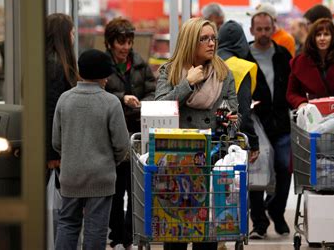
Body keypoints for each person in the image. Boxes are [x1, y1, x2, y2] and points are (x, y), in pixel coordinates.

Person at [155, 17, 238, 250]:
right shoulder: (170, 71)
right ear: (191, 41)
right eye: (204, 39)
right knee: (176, 233)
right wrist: (187, 84)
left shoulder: (223, 73)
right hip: (175, 159)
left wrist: (231, 120)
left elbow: (234, 113)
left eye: (213, 38)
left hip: (210, 158)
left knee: (206, 234)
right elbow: (160, 107)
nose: (211, 43)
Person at [53, 49, 131, 250]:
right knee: (96, 228)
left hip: (70, 175)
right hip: (101, 177)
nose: (107, 80)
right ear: (103, 75)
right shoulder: (111, 102)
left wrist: (72, 156)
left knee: (67, 223)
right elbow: (122, 144)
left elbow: (56, 142)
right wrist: (109, 161)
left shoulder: (64, 99)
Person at [104, 17, 156, 250]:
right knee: (114, 187)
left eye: (129, 42)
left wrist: (142, 103)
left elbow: (154, 92)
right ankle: (116, 234)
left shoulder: (140, 64)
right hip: (110, 136)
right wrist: (121, 99)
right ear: (110, 43)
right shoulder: (102, 65)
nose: (125, 47)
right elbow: (98, 93)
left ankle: (130, 234)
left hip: (136, 134)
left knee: (135, 187)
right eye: (121, 42)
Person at [246, 7, 293, 239]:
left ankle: (277, 210)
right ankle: (260, 222)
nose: (264, 33)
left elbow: (292, 87)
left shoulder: (283, 55)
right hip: (257, 124)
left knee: (284, 169)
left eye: (267, 29)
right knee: (256, 173)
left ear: (273, 29)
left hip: (282, 123)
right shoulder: (244, 56)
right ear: (252, 30)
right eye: (259, 29)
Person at [287, 18, 334, 109]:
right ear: (313, 38)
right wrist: (301, 103)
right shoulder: (299, 62)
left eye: (326, 34)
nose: (322, 38)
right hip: (312, 115)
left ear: (333, 37)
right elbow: (291, 93)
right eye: (318, 35)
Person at [217, 20, 259, 163]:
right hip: (231, 143)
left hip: (208, 139)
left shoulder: (208, 63)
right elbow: (243, 111)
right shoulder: (241, 68)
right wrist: (253, 142)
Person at [45, 13, 79, 181]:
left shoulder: (46, 61)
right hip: (55, 149)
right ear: (63, 36)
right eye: (72, 33)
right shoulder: (55, 65)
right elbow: (51, 110)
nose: (73, 37)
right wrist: (52, 154)